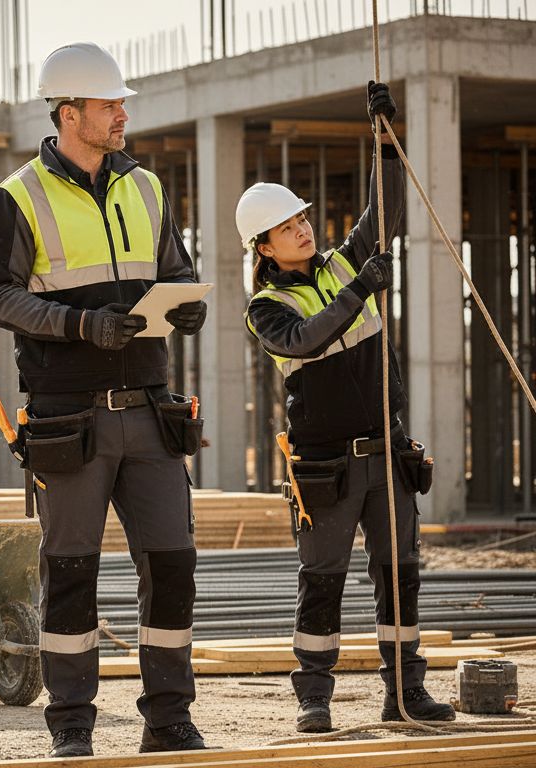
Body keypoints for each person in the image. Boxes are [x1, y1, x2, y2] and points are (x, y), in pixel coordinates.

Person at [0, 42, 209, 758]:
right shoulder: (16, 197)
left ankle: (169, 719)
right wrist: (81, 323)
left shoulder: (146, 187)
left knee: (171, 565)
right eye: (111, 105)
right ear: (70, 111)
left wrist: (186, 303)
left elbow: (174, 267)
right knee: (71, 575)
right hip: (69, 419)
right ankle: (72, 727)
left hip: (150, 407)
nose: (123, 114)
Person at [241, 81, 455, 733]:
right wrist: (363, 287)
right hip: (326, 467)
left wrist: (384, 140)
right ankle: (314, 697)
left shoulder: (340, 265)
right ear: (264, 248)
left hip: (385, 453)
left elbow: (383, 212)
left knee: (401, 577)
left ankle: (406, 692)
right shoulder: (266, 310)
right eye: (287, 228)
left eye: (303, 219)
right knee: (322, 582)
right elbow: (308, 340)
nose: (303, 230)